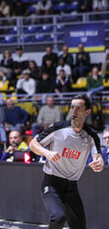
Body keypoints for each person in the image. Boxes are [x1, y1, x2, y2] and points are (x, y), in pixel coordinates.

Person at [29, 94, 104, 229]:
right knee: (58, 217)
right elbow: (33, 144)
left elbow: (98, 156)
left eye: (78, 108)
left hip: (71, 188)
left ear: (87, 112)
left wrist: (99, 163)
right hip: (52, 184)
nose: (74, 111)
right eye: (72, 107)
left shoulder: (91, 135)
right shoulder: (58, 128)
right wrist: (47, 153)